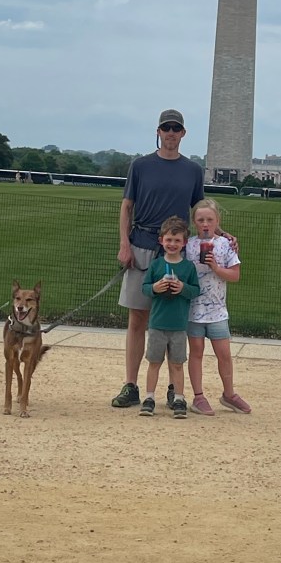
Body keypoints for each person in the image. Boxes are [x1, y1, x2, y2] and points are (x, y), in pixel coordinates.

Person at [112, 109, 205, 408]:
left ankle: (172, 387)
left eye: (176, 128)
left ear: (183, 133)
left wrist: (220, 233)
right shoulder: (140, 166)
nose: (171, 133)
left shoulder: (193, 170)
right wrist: (124, 244)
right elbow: (127, 206)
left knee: (172, 321)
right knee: (137, 318)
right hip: (142, 244)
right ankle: (131, 384)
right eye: (166, 128)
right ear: (158, 131)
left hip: (176, 251)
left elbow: (199, 211)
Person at [185, 199, 250, 415]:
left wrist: (216, 267)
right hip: (194, 310)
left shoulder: (225, 245)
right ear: (194, 222)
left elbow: (235, 275)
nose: (205, 224)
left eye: (209, 220)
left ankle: (229, 394)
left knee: (224, 354)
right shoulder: (189, 245)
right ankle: (198, 396)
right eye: (200, 220)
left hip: (218, 311)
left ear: (217, 221)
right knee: (196, 352)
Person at [138, 216, 200, 418]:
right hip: (157, 323)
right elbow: (145, 288)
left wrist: (182, 287)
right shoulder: (156, 265)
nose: (172, 244)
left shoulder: (188, 267)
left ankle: (179, 398)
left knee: (177, 364)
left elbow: (195, 290)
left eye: (177, 240)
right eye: (169, 240)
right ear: (161, 240)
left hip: (178, 325)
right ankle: (149, 397)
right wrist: (155, 288)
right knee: (154, 362)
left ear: (184, 243)